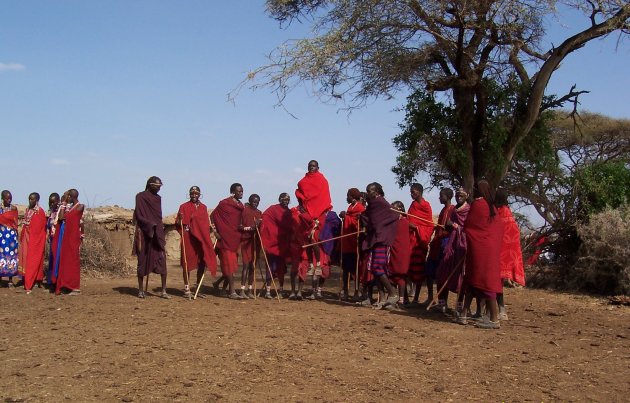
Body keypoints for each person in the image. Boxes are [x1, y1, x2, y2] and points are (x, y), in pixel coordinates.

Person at [458, 180, 504, 329]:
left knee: (482, 282)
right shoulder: (493, 208)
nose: (474, 191)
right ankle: (464, 314)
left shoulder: (478, 205)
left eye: (475, 188)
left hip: (479, 250)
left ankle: (494, 319)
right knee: (474, 280)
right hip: (490, 251)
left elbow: (469, 226)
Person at [361, 182, 399, 308]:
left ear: (377, 192)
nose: (368, 193)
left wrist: (378, 227)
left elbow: (390, 216)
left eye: (370, 191)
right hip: (375, 239)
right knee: (373, 268)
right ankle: (382, 298)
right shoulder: (373, 205)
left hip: (381, 239)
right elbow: (369, 218)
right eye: (367, 190)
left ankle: (392, 294)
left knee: (378, 266)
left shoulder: (379, 203)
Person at [176, 186, 217, 298]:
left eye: (196, 193)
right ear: (189, 194)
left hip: (201, 239)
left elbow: (204, 224)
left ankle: (198, 287)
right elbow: (178, 224)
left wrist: (209, 230)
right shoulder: (183, 206)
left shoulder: (203, 208)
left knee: (201, 262)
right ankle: (187, 288)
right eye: (192, 193)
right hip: (188, 237)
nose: (194, 195)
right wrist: (180, 219)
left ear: (200, 195)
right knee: (186, 262)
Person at [295, 160, 332, 279]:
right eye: (310, 166)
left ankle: (319, 265)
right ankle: (311, 265)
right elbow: (299, 194)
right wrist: (302, 206)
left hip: (318, 214)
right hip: (307, 214)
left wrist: (318, 213)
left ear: (318, 167)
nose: (311, 167)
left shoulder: (322, 180)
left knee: (313, 238)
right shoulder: (303, 182)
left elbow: (324, 198)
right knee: (308, 241)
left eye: (314, 166)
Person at [133, 176, 169, 299]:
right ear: (150, 184)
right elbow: (139, 214)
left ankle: (163, 291)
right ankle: (141, 290)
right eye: (157, 186)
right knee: (142, 261)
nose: (159, 189)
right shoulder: (140, 196)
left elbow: (158, 216)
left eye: (160, 187)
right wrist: (149, 225)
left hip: (157, 234)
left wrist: (157, 228)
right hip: (144, 233)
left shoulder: (158, 199)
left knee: (162, 260)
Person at [436, 188, 470, 313]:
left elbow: (468, 229)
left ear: (467, 196)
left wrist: (454, 226)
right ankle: (442, 303)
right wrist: (449, 226)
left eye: (461, 195)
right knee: (442, 273)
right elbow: (449, 226)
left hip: (462, 247)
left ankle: (460, 305)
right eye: (457, 195)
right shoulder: (454, 210)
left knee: (462, 276)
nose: (458, 197)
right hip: (451, 246)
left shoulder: (468, 210)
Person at [495, 187, 526, 320]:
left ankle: (499, 310)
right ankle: (498, 310)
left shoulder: (499, 214)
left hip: (497, 254)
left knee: (494, 284)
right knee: (496, 284)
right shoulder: (508, 214)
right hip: (503, 254)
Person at [211, 183, 245, 299]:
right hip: (224, 239)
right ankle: (232, 292)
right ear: (233, 192)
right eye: (238, 191)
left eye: (242, 191)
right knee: (229, 266)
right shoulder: (224, 203)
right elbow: (212, 216)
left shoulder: (241, 206)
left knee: (232, 267)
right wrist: (215, 232)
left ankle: (218, 285)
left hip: (235, 239)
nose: (241, 193)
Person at [426, 188, 455, 312]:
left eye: (441, 196)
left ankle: (443, 303)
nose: (439, 198)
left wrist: (447, 228)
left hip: (445, 244)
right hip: (437, 244)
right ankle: (438, 301)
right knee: (433, 273)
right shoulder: (444, 209)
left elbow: (452, 227)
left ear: (447, 197)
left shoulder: (452, 210)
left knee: (442, 274)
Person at [260, 193, 292, 299]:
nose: (285, 201)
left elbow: (291, 226)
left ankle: (281, 290)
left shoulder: (290, 212)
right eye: (283, 199)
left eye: (287, 199)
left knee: (281, 268)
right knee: (270, 267)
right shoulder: (273, 209)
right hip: (272, 243)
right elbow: (265, 218)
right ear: (279, 199)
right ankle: (268, 291)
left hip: (282, 244)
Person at [406, 183, 434, 304]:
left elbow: (429, 225)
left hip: (419, 243)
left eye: (414, 192)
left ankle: (416, 297)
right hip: (410, 241)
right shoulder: (412, 205)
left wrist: (416, 228)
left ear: (420, 192)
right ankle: (407, 295)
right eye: (411, 192)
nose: (411, 194)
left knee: (419, 269)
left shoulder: (426, 206)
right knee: (408, 268)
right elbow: (409, 219)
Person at [55, 189, 85, 295]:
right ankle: (67, 284)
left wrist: (66, 202)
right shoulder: (69, 208)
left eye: (67, 196)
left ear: (71, 197)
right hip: (67, 236)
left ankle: (75, 287)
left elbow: (77, 220)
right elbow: (61, 217)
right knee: (66, 260)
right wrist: (64, 203)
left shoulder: (80, 206)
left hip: (74, 237)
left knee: (73, 260)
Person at [339, 188, 365, 300]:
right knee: (345, 269)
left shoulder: (360, 208)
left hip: (355, 243)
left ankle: (357, 292)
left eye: (348, 195)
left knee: (355, 269)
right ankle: (345, 291)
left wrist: (346, 217)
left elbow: (357, 223)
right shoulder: (350, 207)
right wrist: (346, 217)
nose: (346, 198)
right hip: (346, 242)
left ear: (353, 197)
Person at [18, 193, 47, 293]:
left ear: (37, 200)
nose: (30, 201)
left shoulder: (40, 212)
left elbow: (40, 229)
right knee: (25, 257)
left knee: (33, 258)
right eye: (29, 199)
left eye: (32, 199)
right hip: (26, 236)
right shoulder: (28, 210)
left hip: (34, 239)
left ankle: (32, 281)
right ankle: (26, 278)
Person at [389, 201, 411, 307]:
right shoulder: (392, 222)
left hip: (402, 251)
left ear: (400, 210)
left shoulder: (405, 222)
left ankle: (401, 299)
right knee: (392, 274)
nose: (392, 210)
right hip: (393, 250)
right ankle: (395, 298)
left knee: (401, 274)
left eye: (394, 208)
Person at [240, 194, 262, 299]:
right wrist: (250, 228)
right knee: (246, 266)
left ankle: (249, 289)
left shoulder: (259, 213)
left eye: (257, 202)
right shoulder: (244, 211)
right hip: (246, 242)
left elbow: (261, 228)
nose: (256, 204)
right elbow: (239, 227)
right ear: (250, 201)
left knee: (253, 266)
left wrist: (258, 225)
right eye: (254, 202)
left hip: (255, 242)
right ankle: (242, 290)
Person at [0, 190, 19, 287]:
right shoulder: (0, 208)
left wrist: (17, 235)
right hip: (1, 235)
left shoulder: (14, 208)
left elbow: (15, 223)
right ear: (2, 198)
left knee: (12, 256)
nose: (9, 200)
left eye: (10, 198)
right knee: (1, 256)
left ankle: (10, 279)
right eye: (7, 198)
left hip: (11, 236)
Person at [46, 193, 61, 288]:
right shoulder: (51, 212)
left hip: (58, 239)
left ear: (58, 201)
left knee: (57, 259)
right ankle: (51, 281)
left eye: (53, 202)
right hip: (52, 239)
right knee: (51, 260)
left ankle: (57, 282)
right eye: (50, 202)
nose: (51, 204)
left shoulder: (61, 211)